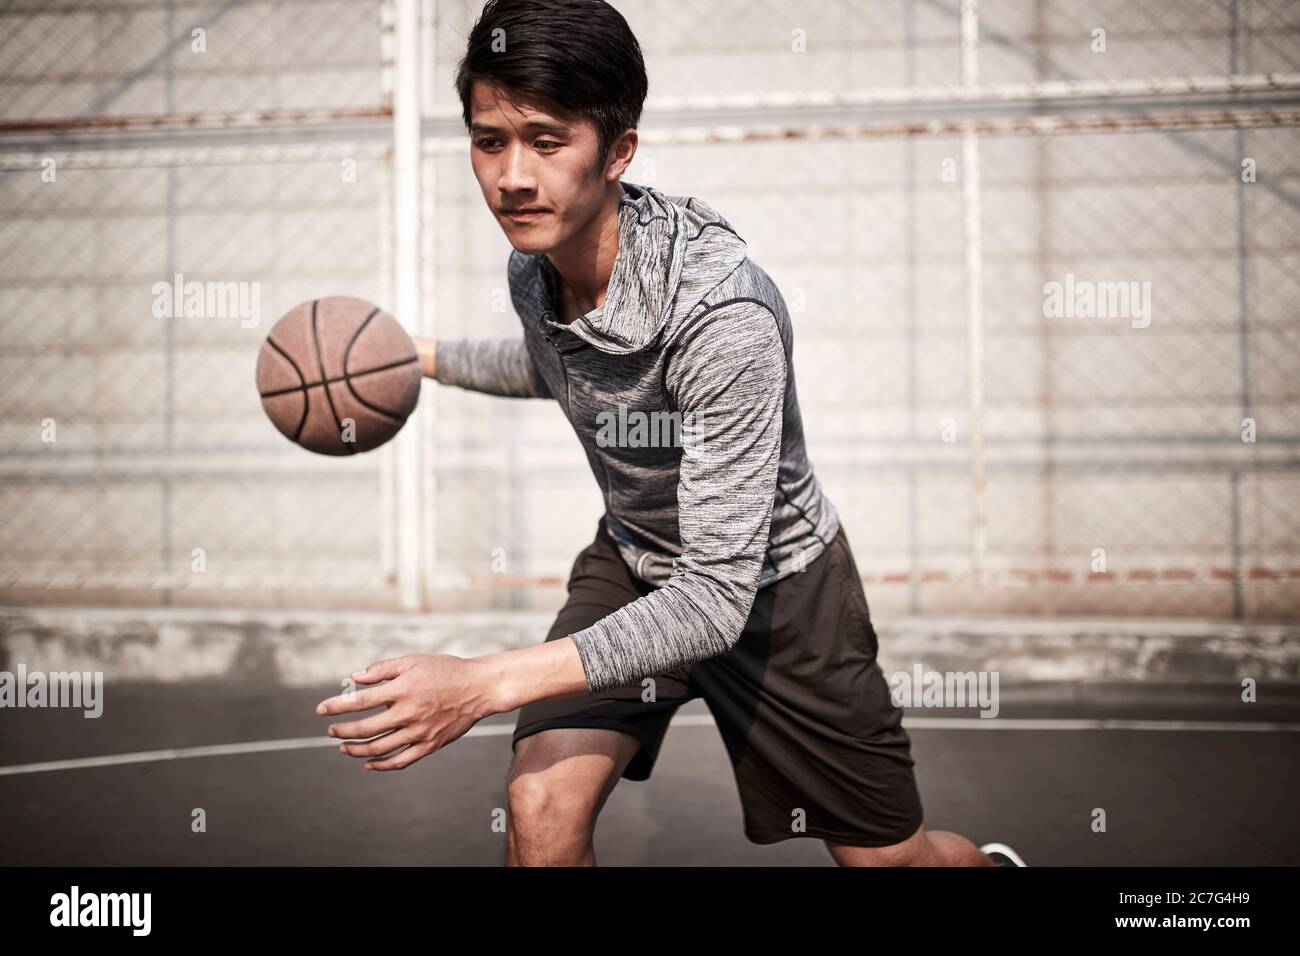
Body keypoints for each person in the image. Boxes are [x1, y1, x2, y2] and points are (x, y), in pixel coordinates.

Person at [316, 0, 1026, 869]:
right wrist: (419, 358)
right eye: (489, 139)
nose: (511, 177)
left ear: (618, 151)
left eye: (546, 141)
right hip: (636, 561)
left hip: (772, 593)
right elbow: (562, 366)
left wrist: (482, 682)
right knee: (539, 806)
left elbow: (716, 599)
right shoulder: (535, 268)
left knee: (889, 862)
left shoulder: (722, 316)